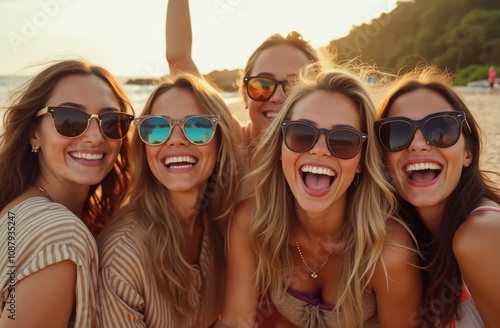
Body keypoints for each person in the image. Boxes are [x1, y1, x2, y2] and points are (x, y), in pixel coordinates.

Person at [215, 65, 422, 328]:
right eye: (302, 134)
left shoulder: (388, 252)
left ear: (361, 160)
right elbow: (235, 321)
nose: (320, 150)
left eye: (344, 139)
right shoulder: (250, 222)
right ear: (280, 146)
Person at [97, 73, 244, 327]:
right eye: (157, 128)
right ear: (145, 148)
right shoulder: (122, 258)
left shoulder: (222, 224)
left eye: (198, 127)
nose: (176, 139)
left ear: (220, 144)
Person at [0, 59, 134, 327]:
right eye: (70, 120)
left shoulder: (17, 207)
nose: (96, 137)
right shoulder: (62, 238)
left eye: (111, 122)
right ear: (33, 134)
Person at [375, 65, 500, 327]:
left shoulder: (480, 235)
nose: (418, 143)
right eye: (397, 132)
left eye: (441, 128)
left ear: (468, 153)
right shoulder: (403, 245)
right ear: (382, 160)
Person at [166, 0, 319, 153]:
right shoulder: (232, 141)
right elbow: (178, 58)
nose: (277, 98)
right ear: (245, 95)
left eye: (294, 86)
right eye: (262, 85)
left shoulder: (324, 152)